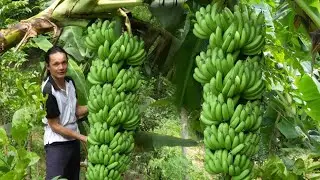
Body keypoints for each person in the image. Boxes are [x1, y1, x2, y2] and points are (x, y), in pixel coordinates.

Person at [41, 46, 88, 180]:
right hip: (57, 144)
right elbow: (55, 125)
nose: (61, 67)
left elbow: (76, 111)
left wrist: (96, 106)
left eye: (64, 62)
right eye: (56, 64)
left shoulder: (70, 82)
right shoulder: (48, 91)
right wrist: (82, 137)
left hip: (73, 142)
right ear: (48, 67)